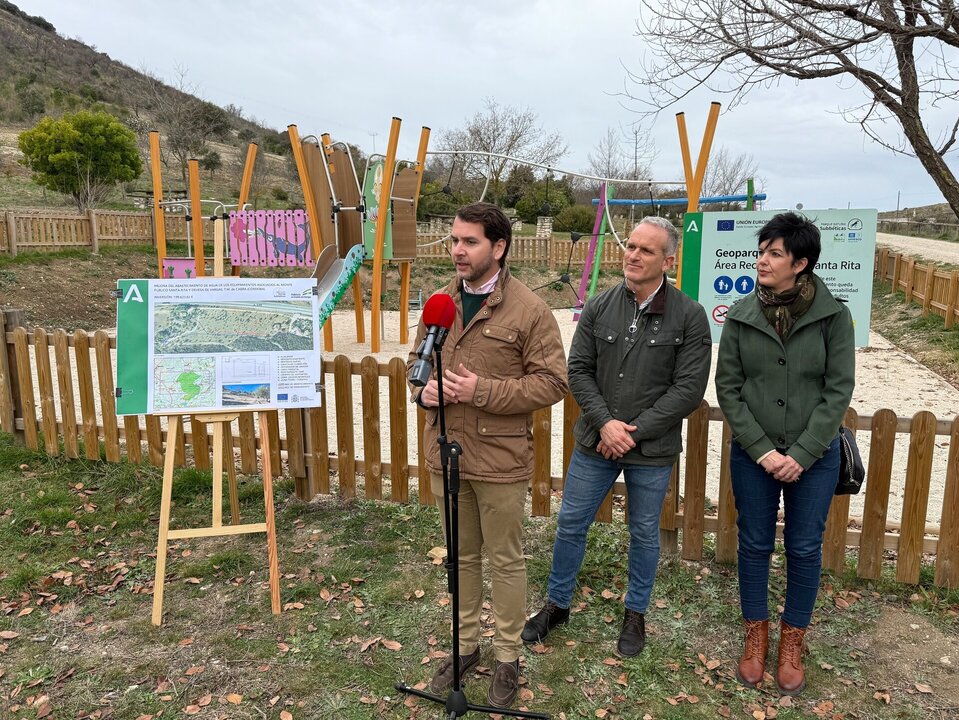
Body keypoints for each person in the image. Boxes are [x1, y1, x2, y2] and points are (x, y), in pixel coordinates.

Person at [522, 217, 711, 658]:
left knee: (644, 532)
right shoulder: (600, 306)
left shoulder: (690, 316)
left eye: (646, 250)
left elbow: (688, 389)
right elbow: (578, 370)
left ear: (668, 260)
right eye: (630, 245)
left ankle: (635, 613)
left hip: (652, 449)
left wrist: (633, 431)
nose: (632, 255)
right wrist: (605, 423)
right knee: (570, 523)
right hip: (595, 441)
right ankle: (557, 604)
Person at [407, 202, 568, 709]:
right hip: (445, 455)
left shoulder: (530, 310)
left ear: (498, 248)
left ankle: (506, 657)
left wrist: (482, 391)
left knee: (506, 559)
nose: (457, 250)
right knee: (461, 557)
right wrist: (422, 389)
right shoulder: (439, 305)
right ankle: (466, 647)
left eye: (469, 241)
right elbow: (418, 361)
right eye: (454, 240)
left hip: (499, 461)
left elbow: (552, 383)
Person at [715, 212, 855, 695]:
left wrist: (802, 452)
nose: (762, 261)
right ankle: (756, 634)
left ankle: (792, 640)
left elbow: (838, 391)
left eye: (774, 253)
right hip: (754, 456)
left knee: (803, 547)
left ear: (801, 262)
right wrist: (760, 450)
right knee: (753, 544)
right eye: (762, 251)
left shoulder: (834, 316)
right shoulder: (740, 313)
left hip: (814, 458)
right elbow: (728, 388)